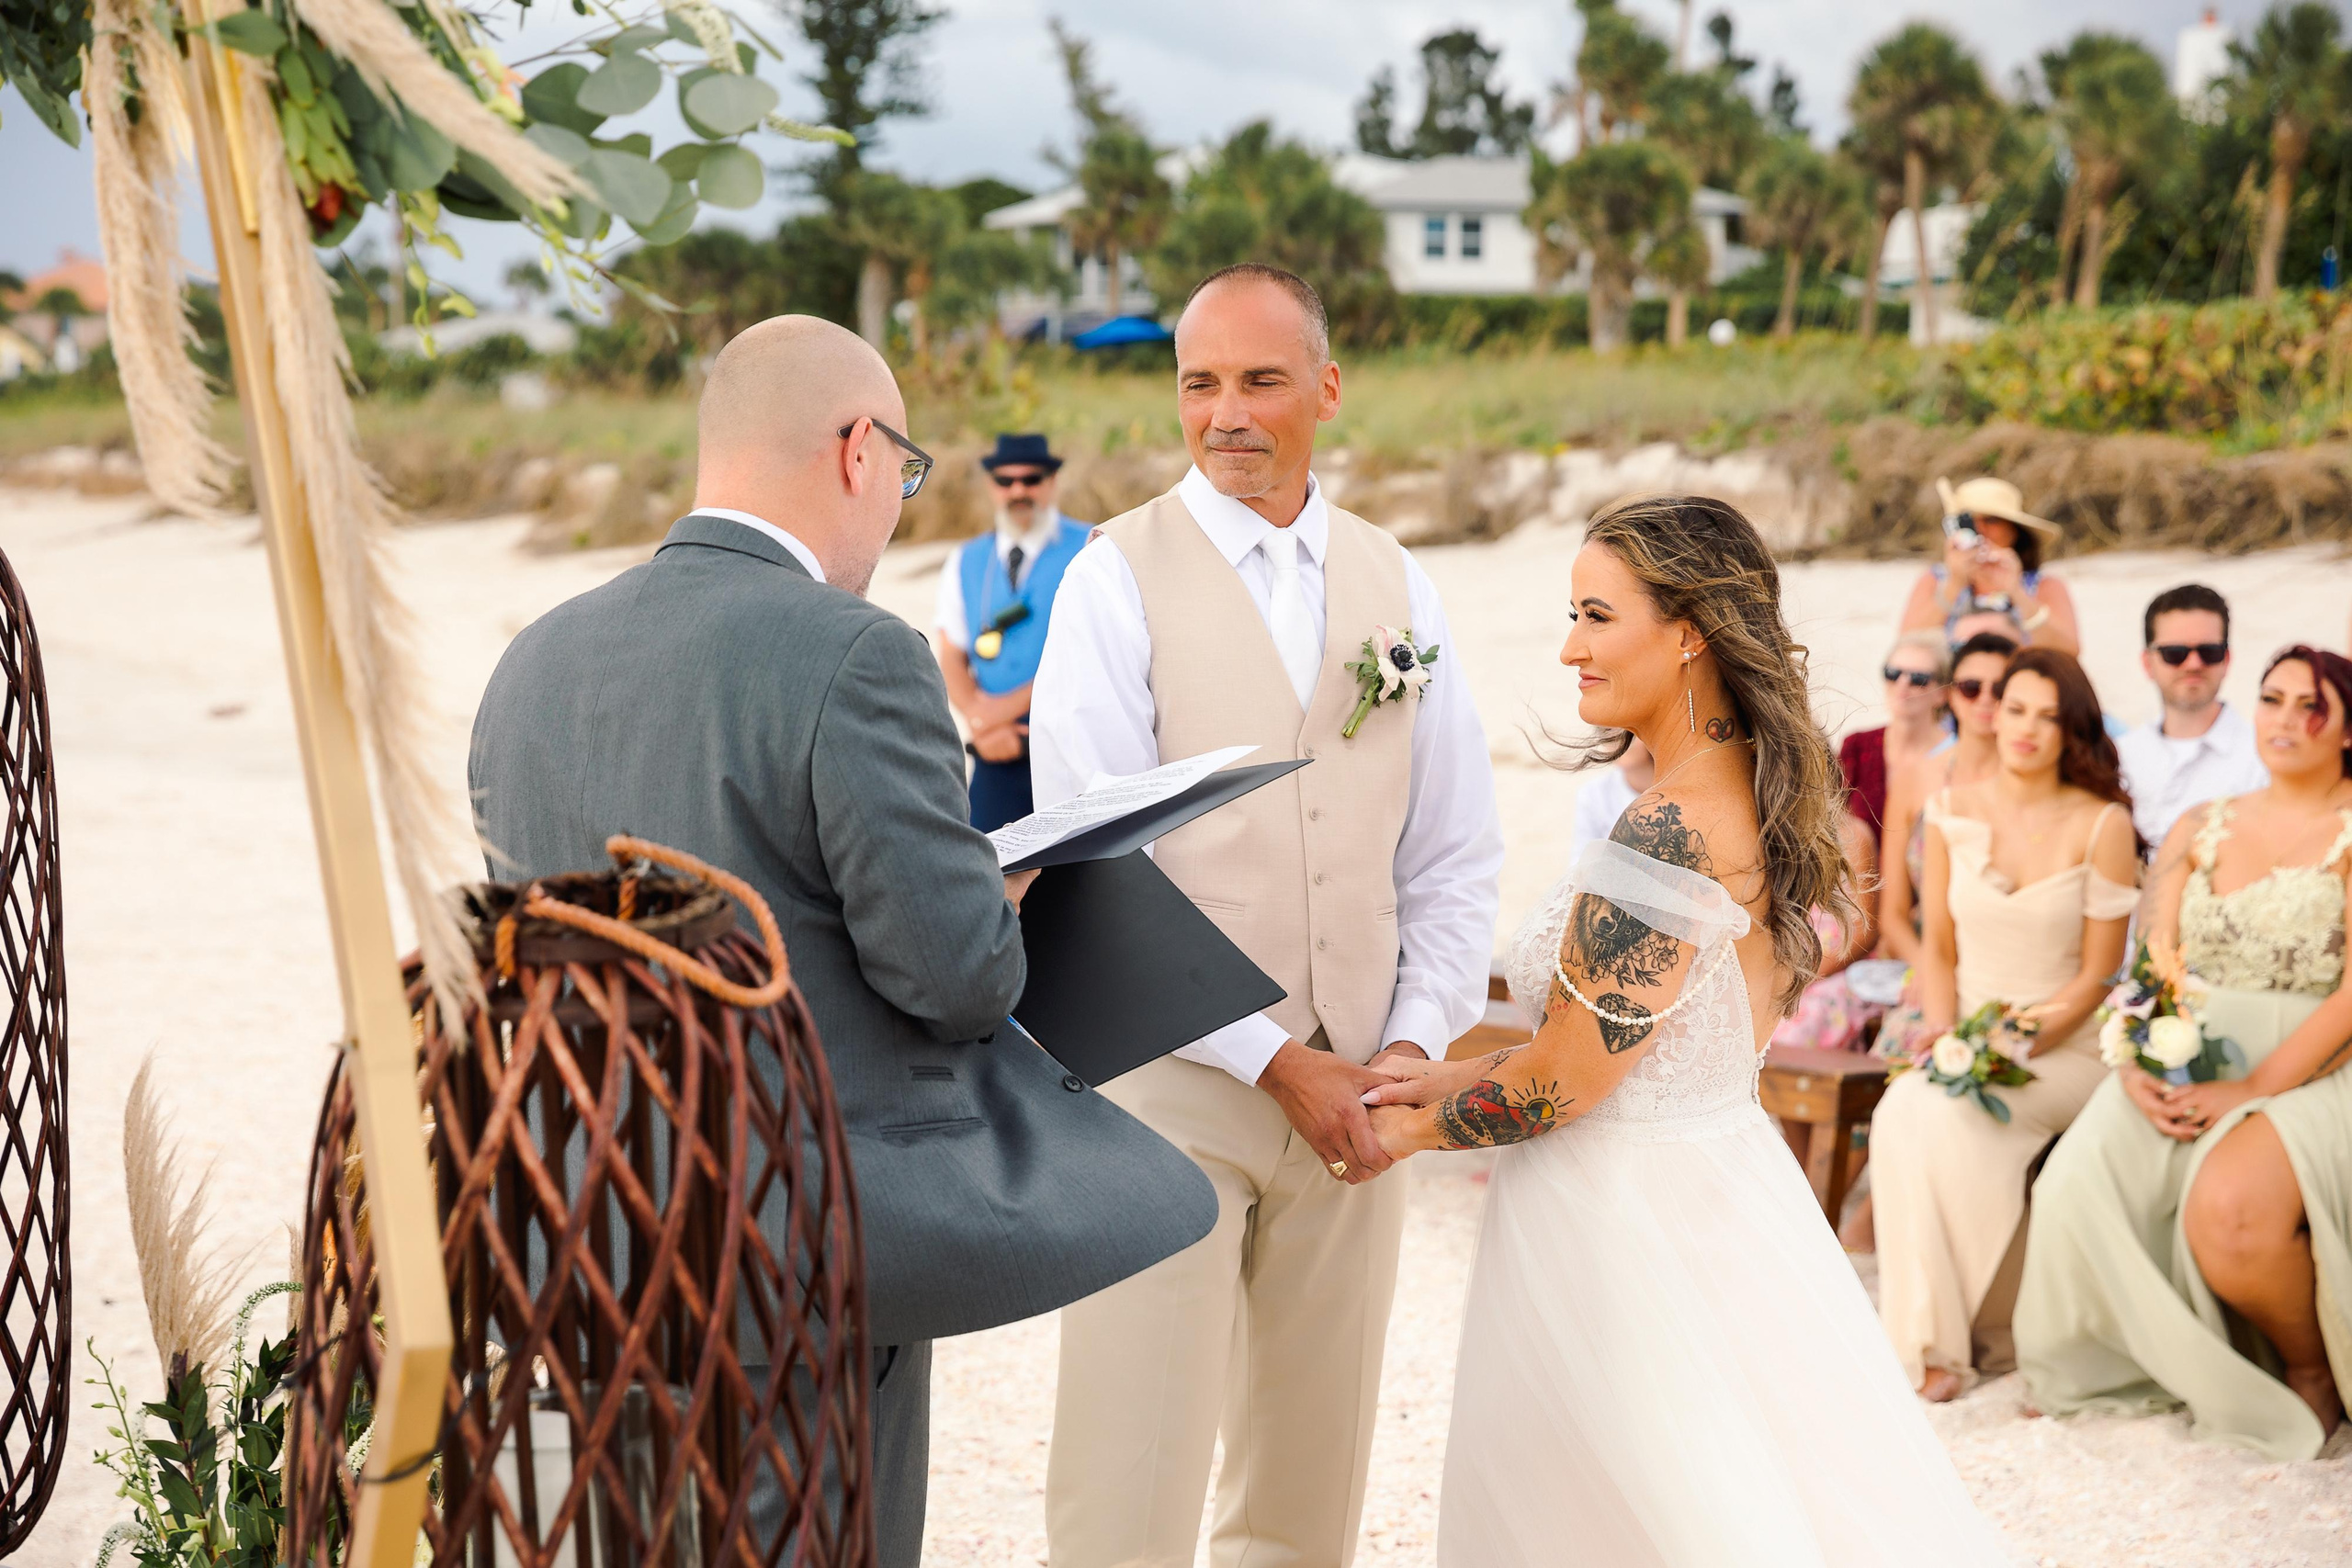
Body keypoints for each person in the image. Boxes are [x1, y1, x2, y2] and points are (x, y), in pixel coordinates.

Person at [468, 317, 1216, 1563]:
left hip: (581, 1237)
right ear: (859, 449)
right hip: (792, 1249)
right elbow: (955, 975)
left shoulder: (531, 663)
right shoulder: (853, 650)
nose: (899, 506)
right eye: (907, 471)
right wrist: (1001, 882)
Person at [1362, 495, 2009, 1565]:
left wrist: (1391, 1134)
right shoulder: (1751, 790)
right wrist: (1416, 1079)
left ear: (1690, 630)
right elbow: (1612, 1043)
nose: (1570, 647)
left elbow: (1561, 1086)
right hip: (1719, 1184)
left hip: (1616, 1227)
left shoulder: (1666, 830)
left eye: (1596, 616)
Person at [1029, 264, 1503, 1568]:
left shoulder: (1398, 583)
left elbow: (1454, 849)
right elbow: (1090, 865)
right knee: (1128, 1485)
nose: (1225, 412)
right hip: (1168, 1091)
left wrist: (1408, 1047)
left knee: (1310, 1491)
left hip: (1361, 1091)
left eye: (1258, 379)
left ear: (1326, 390)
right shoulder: (1110, 576)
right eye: (1199, 382)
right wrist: (1277, 1062)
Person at [2018, 646, 2352, 1458]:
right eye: (2272, 699)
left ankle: (2309, 1371)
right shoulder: (2202, 824)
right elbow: (2151, 964)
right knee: (2074, 1181)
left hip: (2321, 1063)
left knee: (2232, 1212)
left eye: (2312, 706)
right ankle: (2124, 1363)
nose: (2286, 719)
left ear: (2347, 729)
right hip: (2190, 1051)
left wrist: (2256, 1087)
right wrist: (2133, 1059)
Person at [1871, 649, 2141, 1403]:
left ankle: (1973, 1332)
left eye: (2048, 715)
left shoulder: (2103, 824)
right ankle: (1931, 1344)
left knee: (1939, 1114)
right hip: (1970, 1032)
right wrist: (1947, 1035)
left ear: (2073, 729)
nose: (2024, 727)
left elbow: (2097, 975)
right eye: (2014, 707)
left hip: (2067, 1047)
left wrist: (2027, 1036)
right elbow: (1941, 946)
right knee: (1906, 1110)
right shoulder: (1951, 810)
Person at [932, 433, 1092, 830]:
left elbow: (1091, 656)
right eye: (1006, 481)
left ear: (1052, 482)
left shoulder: (1092, 547)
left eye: (1032, 479)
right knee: (989, 875)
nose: (1018, 490)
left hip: (1073, 750)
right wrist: (979, 719)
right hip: (996, 752)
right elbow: (951, 651)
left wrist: (1002, 711)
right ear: (991, 486)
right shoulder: (965, 560)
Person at [2114, 583, 2269, 852]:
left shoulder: (2265, 756)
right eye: (2175, 653)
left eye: (2209, 652)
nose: (2194, 664)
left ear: (2227, 659)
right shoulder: (2118, 757)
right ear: (2147, 663)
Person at [1898, 476, 2079, 655]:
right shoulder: (1935, 580)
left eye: (1991, 520)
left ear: (2014, 531)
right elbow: (1907, 647)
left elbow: (2069, 652)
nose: (1980, 530)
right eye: (1969, 521)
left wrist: (2017, 593)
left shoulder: (2045, 586)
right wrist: (1955, 584)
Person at [1841, 629, 1950, 847]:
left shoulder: (1956, 756)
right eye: (1893, 673)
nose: (1902, 684)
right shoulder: (1857, 746)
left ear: (1942, 693)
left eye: (1918, 679)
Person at [1566, 734, 1652, 855]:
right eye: (1608, 730)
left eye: (1630, 734)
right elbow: (1581, 861)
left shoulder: (1682, 787)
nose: (1619, 741)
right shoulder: (1594, 794)